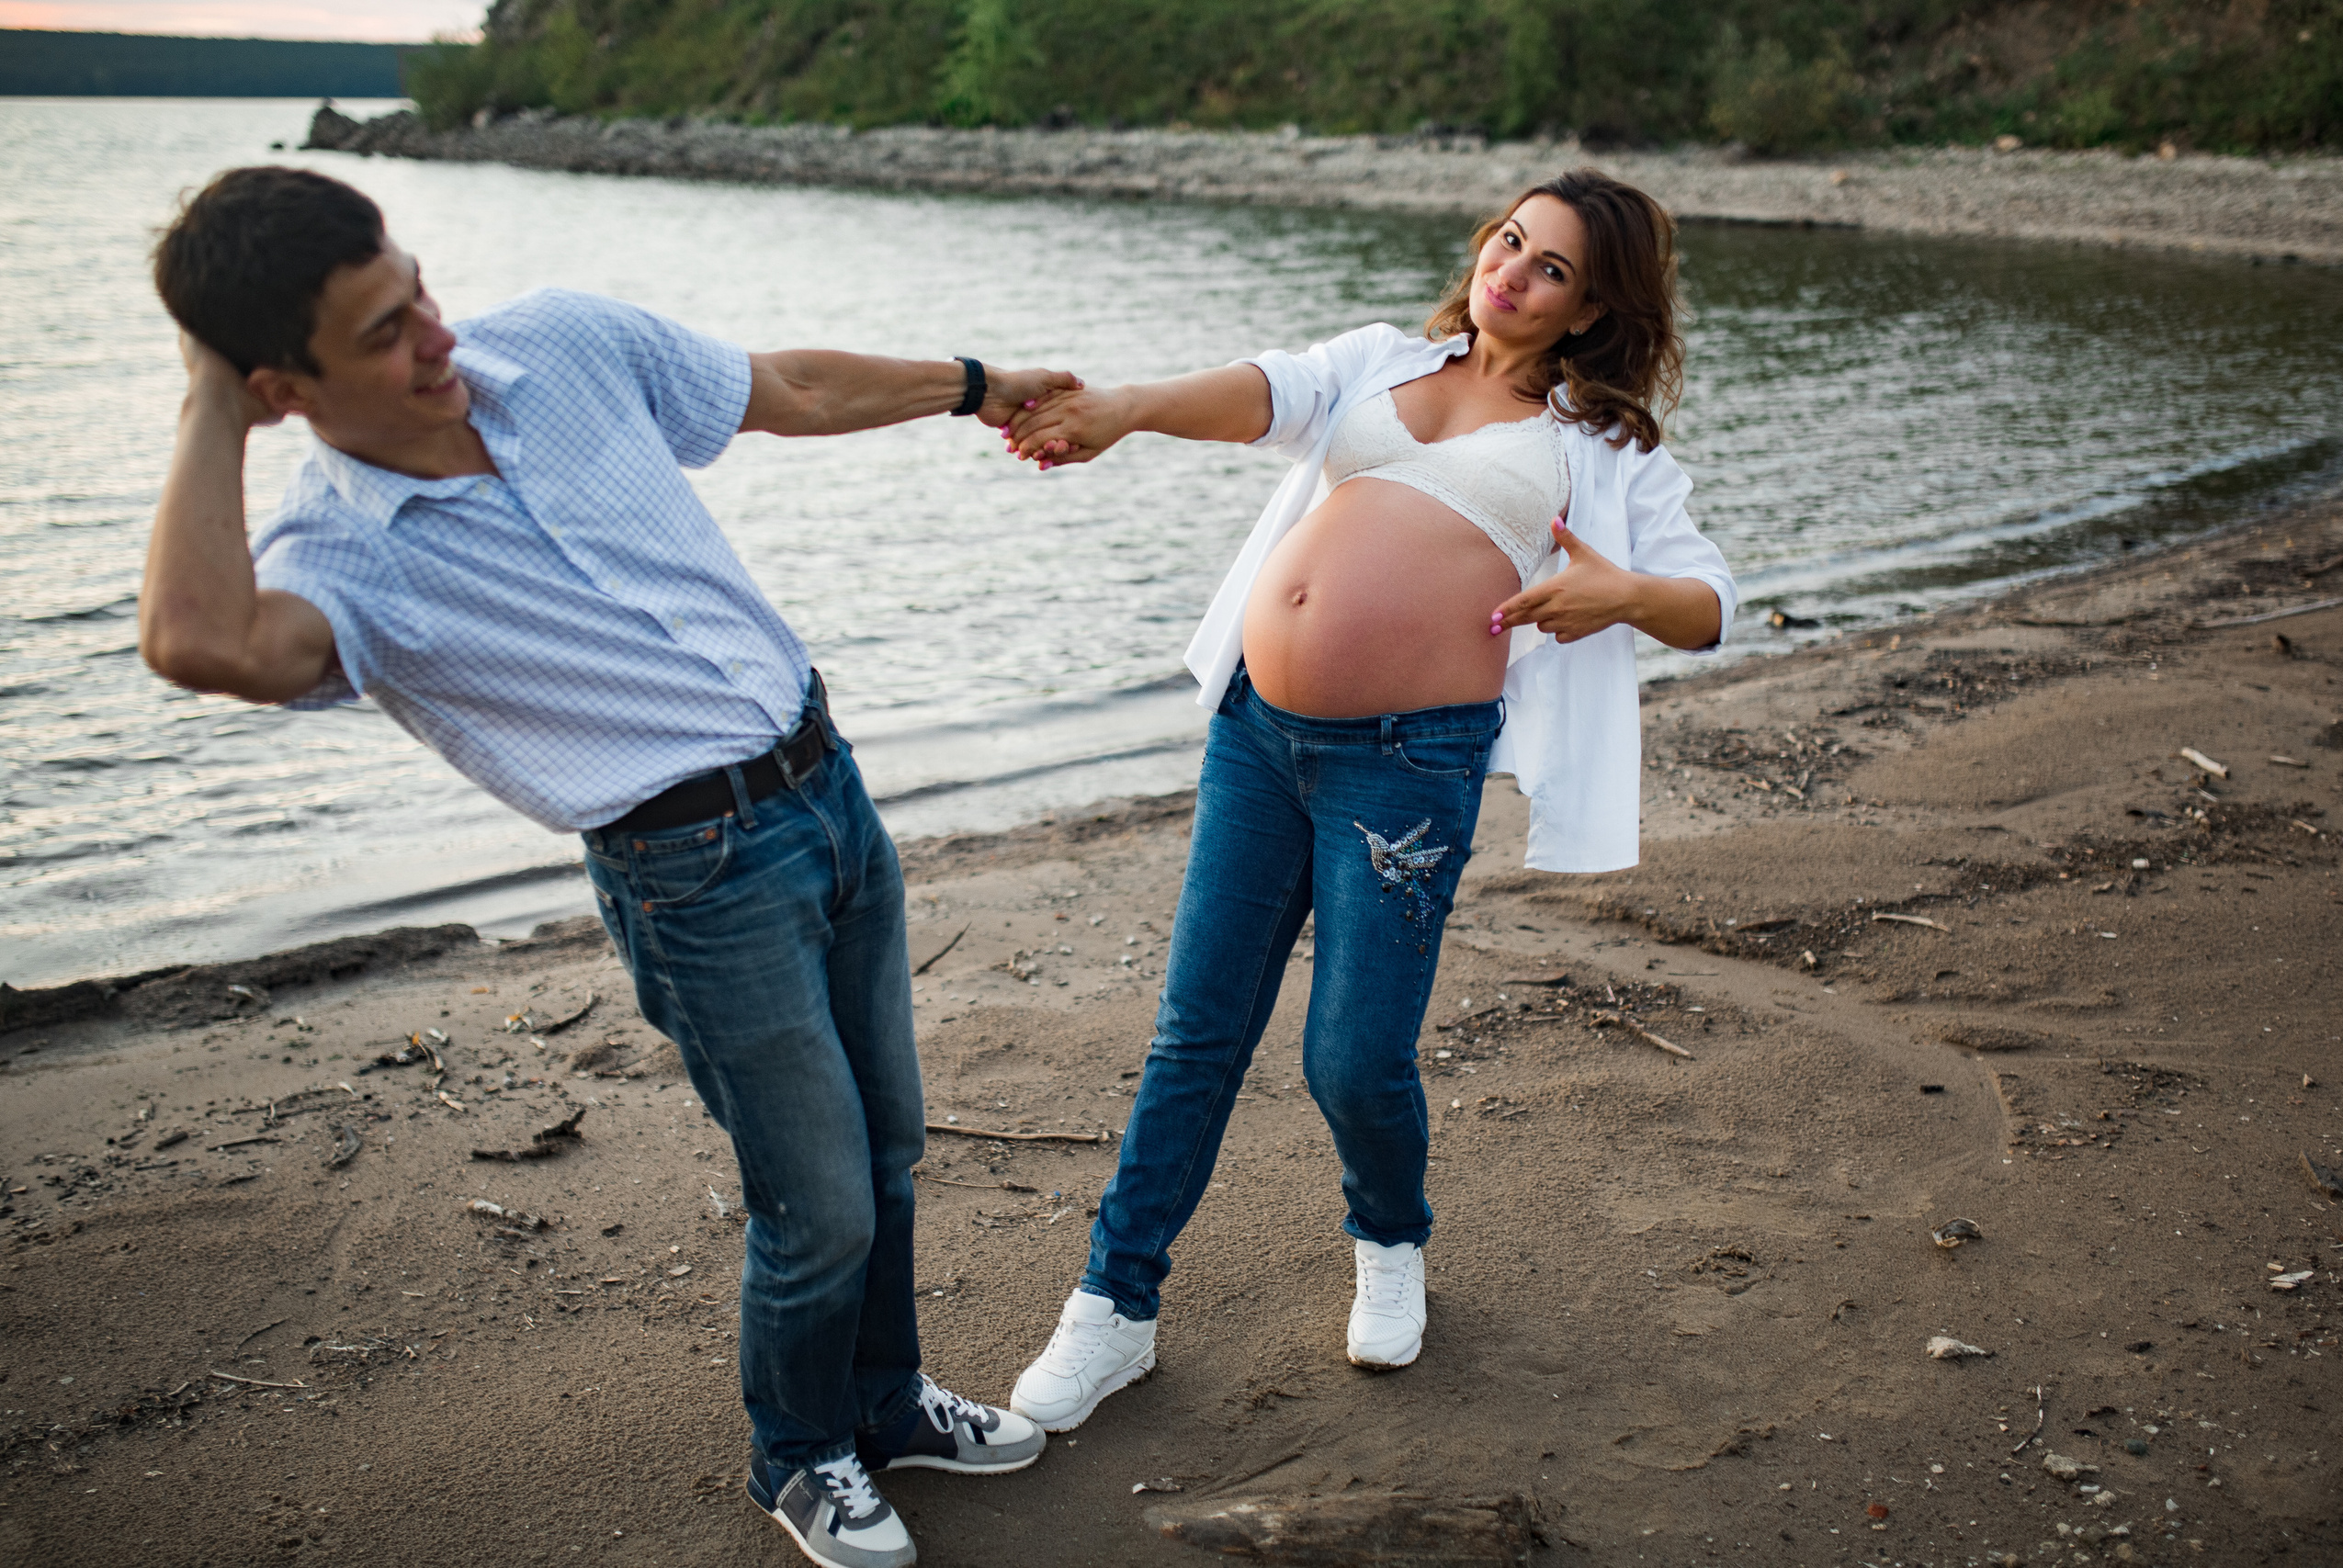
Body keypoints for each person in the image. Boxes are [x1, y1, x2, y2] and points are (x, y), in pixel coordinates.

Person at [141, 165, 1077, 1568]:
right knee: (816, 1199)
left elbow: (786, 387)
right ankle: (801, 1454)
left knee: (888, 1148)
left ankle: (884, 1404)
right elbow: (199, 641)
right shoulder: (338, 560)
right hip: (694, 876)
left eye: (418, 291)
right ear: (279, 388)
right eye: (386, 334)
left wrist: (979, 385)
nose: (439, 337)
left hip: (829, 789)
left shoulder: (562, 344)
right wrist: (206, 398)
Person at [993, 169, 1738, 1429]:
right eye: (1512, 240)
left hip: (1406, 766)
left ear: (1593, 308)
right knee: (1195, 1036)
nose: (1512, 271)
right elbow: (1265, 392)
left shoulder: (1600, 445)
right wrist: (1122, 411)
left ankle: (1390, 1239)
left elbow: (1708, 605)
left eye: (1552, 268)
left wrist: (1622, 594)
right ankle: (1113, 1309)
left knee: (1352, 1056)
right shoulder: (1384, 359)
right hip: (1256, 737)